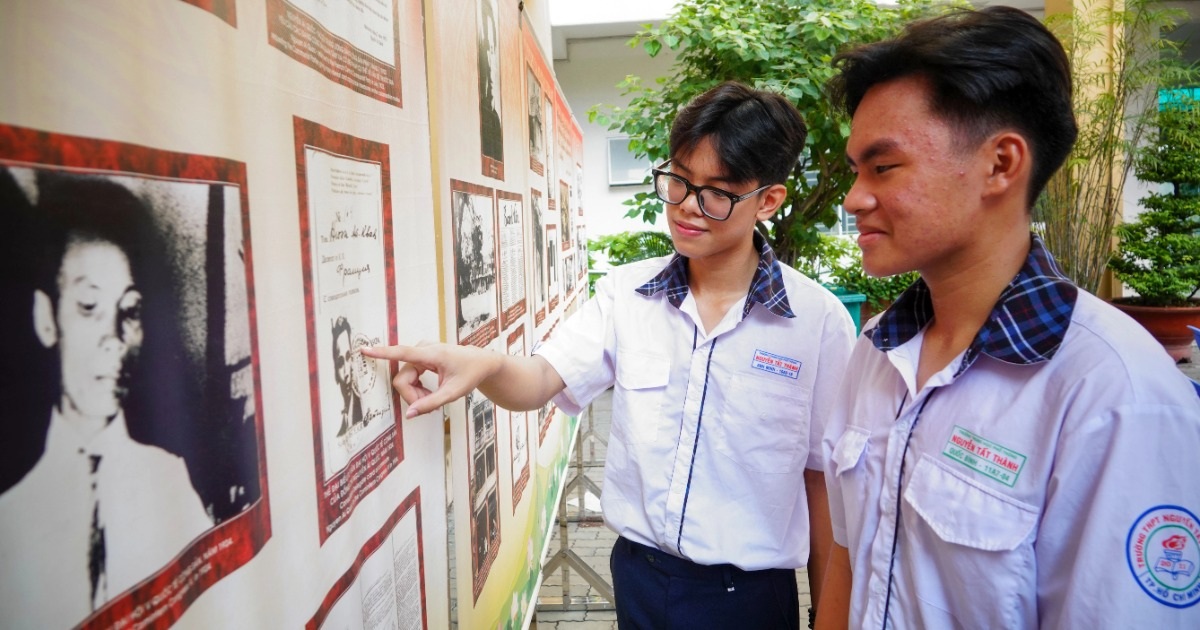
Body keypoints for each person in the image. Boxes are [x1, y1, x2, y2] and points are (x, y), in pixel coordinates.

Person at [365, 81, 856, 628]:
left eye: (718, 193)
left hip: (747, 598)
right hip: (639, 579)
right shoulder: (626, 294)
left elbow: (823, 484)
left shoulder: (817, 323)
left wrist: (830, 614)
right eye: (679, 181)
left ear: (768, 200)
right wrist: (485, 364)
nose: (688, 208)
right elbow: (540, 379)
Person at [815, 7, 1200, 629]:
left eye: (883, 168)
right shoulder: (880, 350)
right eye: (857, 170)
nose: (855, 198)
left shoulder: (1114, 394)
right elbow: (847, 557)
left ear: (1001, 164)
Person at [0, 173, 213, 628]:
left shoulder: (169, 475)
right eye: (89, 306)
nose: (115, 339)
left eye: (129, 311)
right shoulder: (11, 517)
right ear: (46, 318)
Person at [332, 315, 364, 437]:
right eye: (340, 364)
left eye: (348, 357)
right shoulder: (341, 424)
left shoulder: (361, 409)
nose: (346, 373)